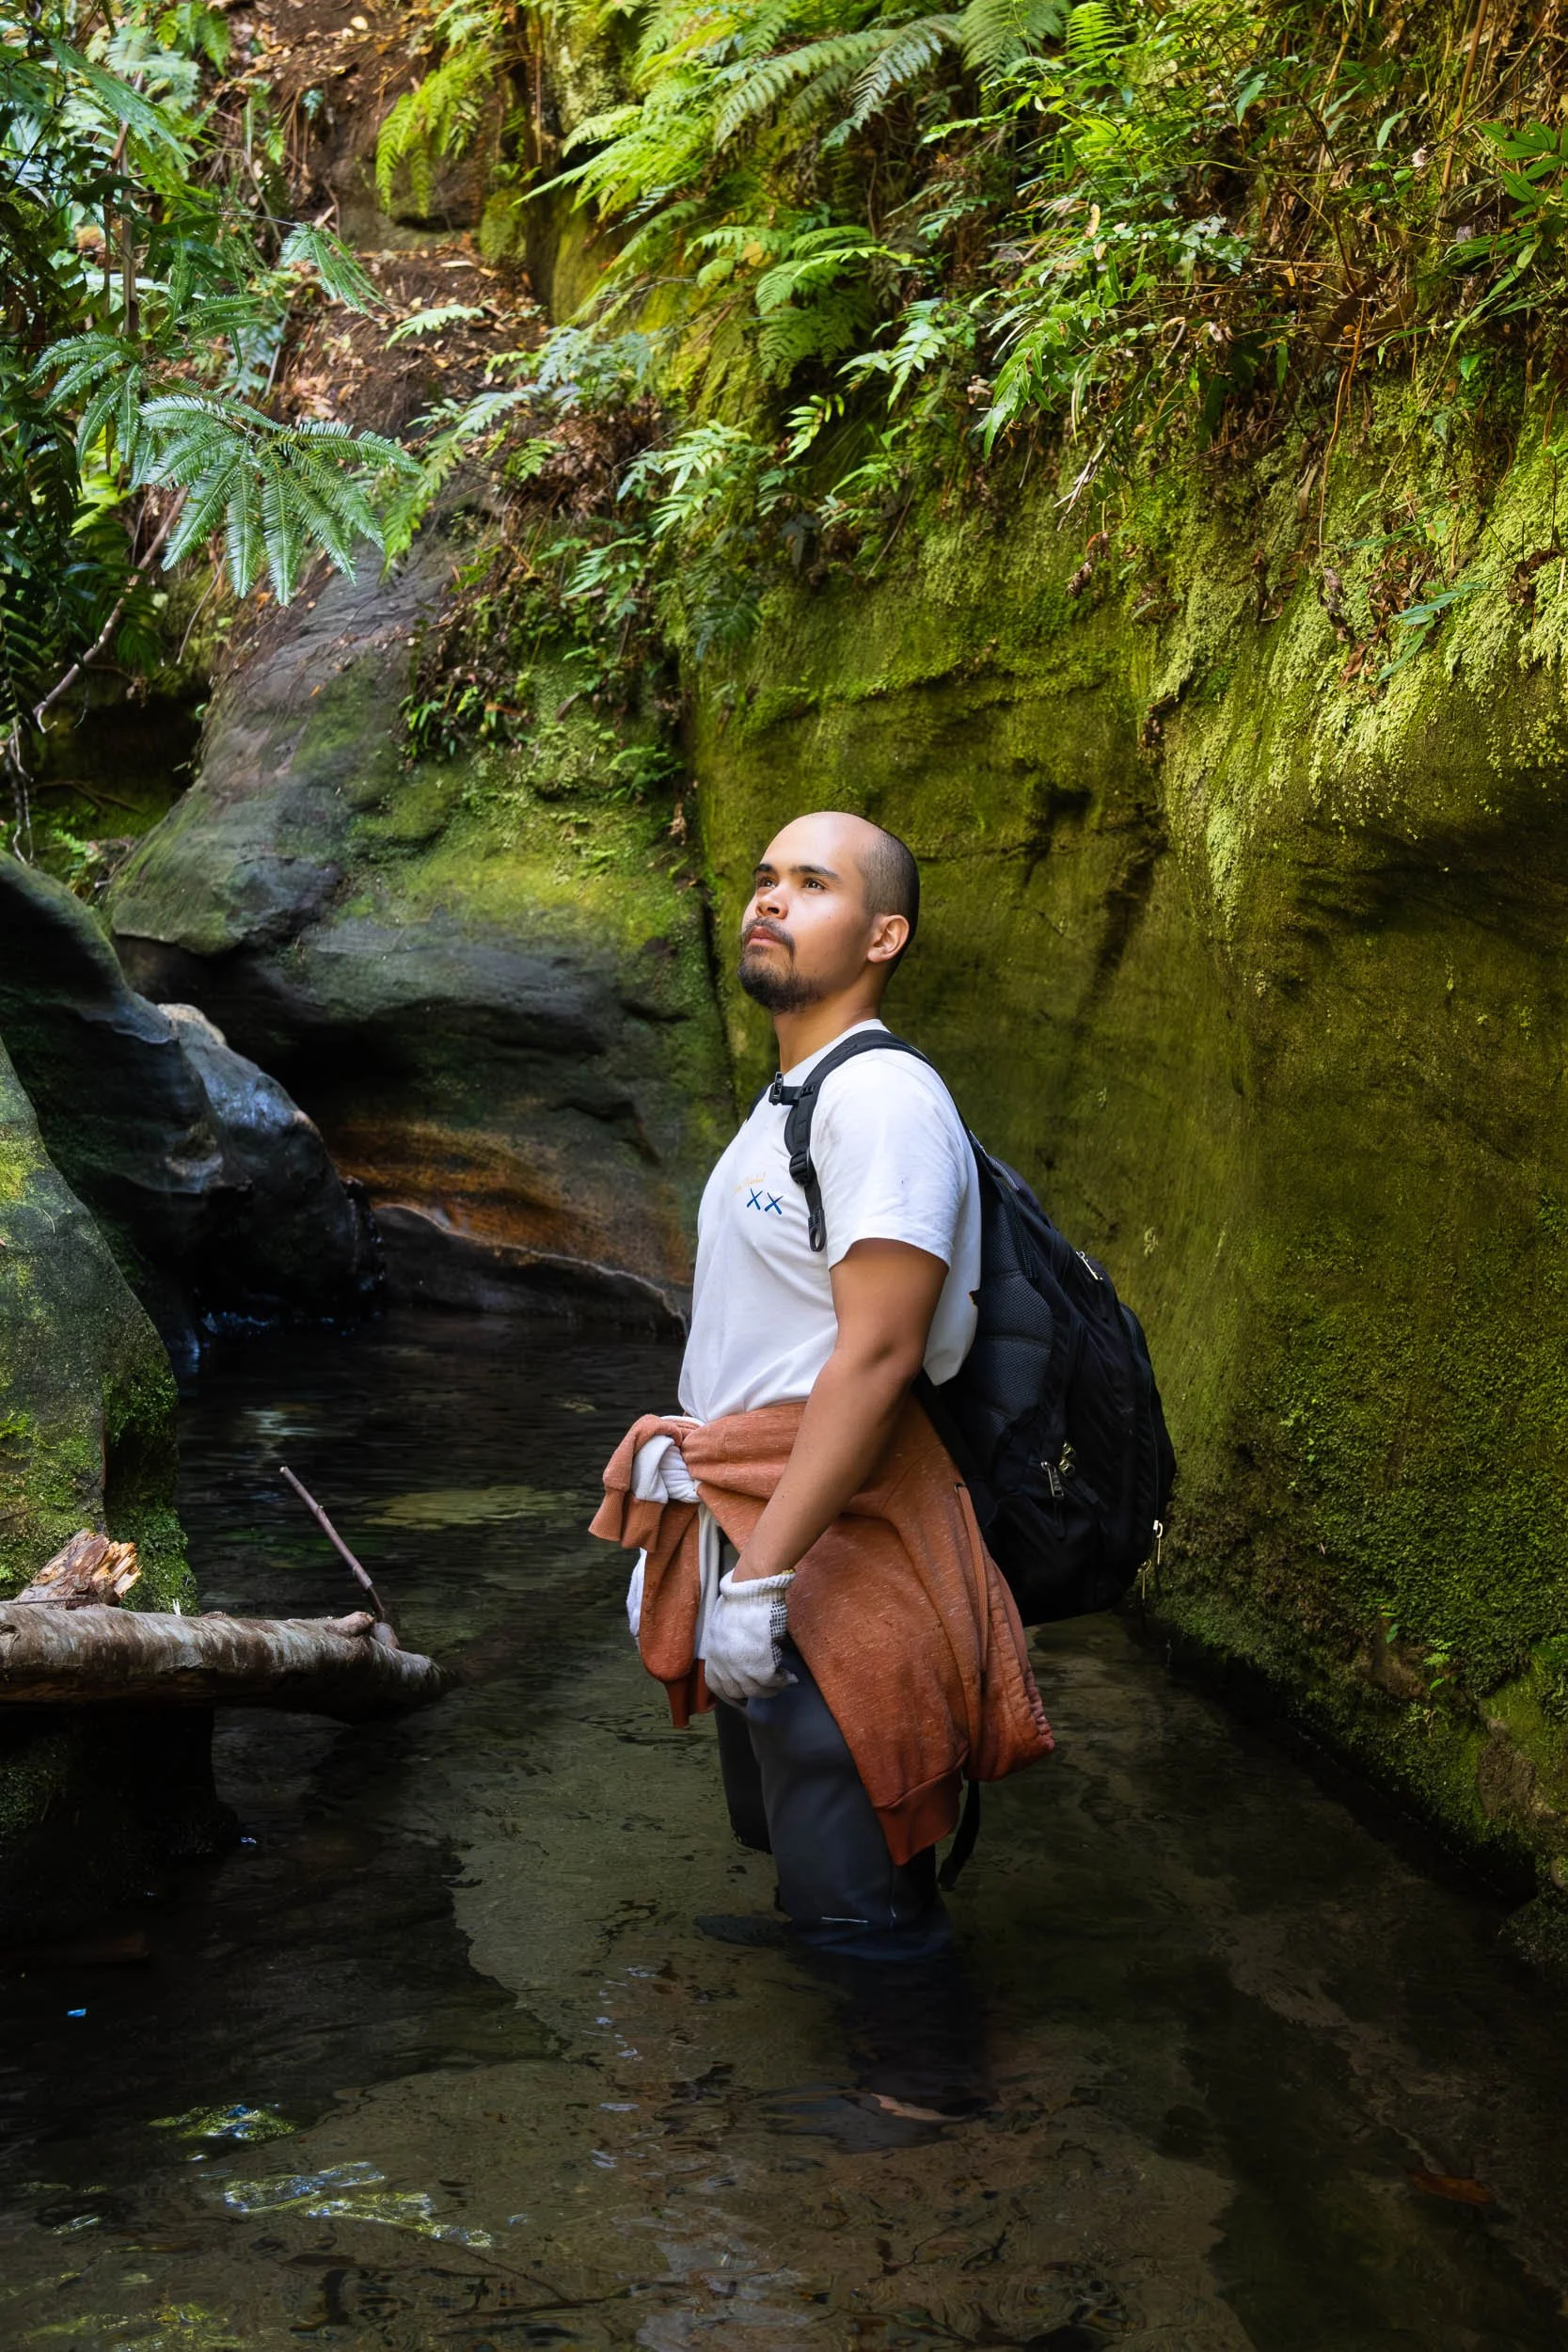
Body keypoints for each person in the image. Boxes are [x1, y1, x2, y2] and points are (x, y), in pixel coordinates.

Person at [592, 810, 1052, 1982]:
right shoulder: (789, 1099)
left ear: (883, 933)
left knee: (844, 1811)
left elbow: (878, 1355)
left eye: (810, 881)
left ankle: (909, 2119)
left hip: (839, 1524)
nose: (769, 898)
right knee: (779, 1812)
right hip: (754, 1499)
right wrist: (686, 1525)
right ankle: (831, 1928)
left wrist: (760, 1578)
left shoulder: (881, 1101)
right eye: (762, 878)